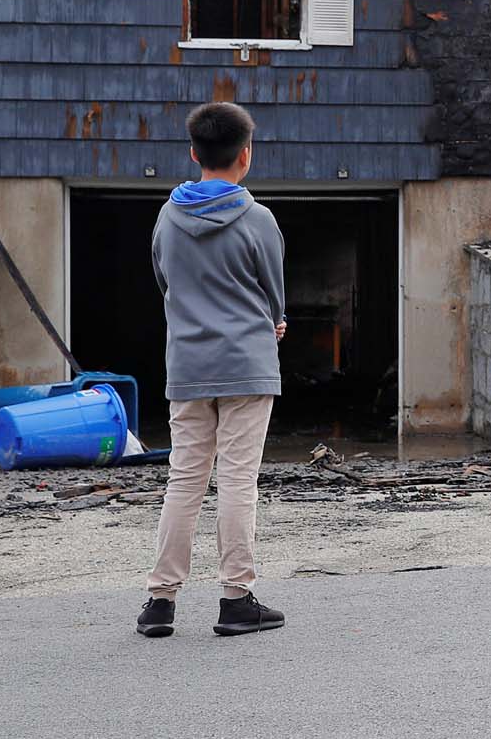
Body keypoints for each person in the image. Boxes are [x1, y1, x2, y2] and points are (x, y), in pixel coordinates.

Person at [137, 101, 288, 638]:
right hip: (247, 365)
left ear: (193, 153)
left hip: (188, 365)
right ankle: (235, 597)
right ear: (245, 155)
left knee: (185, 479)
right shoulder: (258, 220)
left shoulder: (167, 217)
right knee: (238, 479)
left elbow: (165, 282)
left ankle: (160, 601)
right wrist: (273, 321)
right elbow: (274, 294)